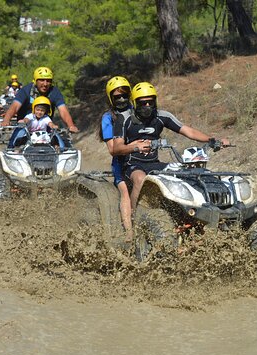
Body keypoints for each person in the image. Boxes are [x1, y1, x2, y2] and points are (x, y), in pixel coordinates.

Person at [112, 82, 230, 211]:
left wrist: (212, 139)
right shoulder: (124, 119)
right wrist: (135, 147)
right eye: (143, 103)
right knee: (140, 179)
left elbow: (188, 131)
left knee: (187, 171)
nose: (147, 106)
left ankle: (194, 209)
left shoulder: (162, 116)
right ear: (134, 103)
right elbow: (116, 149)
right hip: (131, 164)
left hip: (154, 163)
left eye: (150, 102)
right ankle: (136, 216)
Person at [98, 76, 133, 240]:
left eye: (124, 95)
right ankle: (129, 232)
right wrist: (133, 146)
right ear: (111, 98)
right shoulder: (108, 118)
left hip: (143, 161)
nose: (121, 99)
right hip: (121, 163)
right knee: (125, 191)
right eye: (117, 96)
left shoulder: (138, 111)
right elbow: (113, 149)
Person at [0, 66, 79, 133]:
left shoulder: (54, 92)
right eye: (41, 80)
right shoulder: (26, 90)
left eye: (48, 81)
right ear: (35, 80)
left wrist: (71, 125)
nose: (45, 84)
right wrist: (6, 120)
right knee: (16, 143)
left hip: (45, 128)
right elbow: (15, 106)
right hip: (24, 127)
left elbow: (63, 110)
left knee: (60, 143)